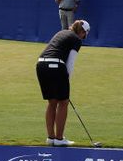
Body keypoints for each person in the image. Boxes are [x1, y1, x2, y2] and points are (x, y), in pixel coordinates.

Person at [36, 19, 90, 147]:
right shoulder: (76, 40)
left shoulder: (61, 33)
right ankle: (59, 139)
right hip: (56, 65)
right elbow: (70, 63)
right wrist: (66, 84)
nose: (84, 37)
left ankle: (51, 138)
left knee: (52, 102)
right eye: (85, 34)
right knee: (63, 102)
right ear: (82, 32)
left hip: (41, 65)